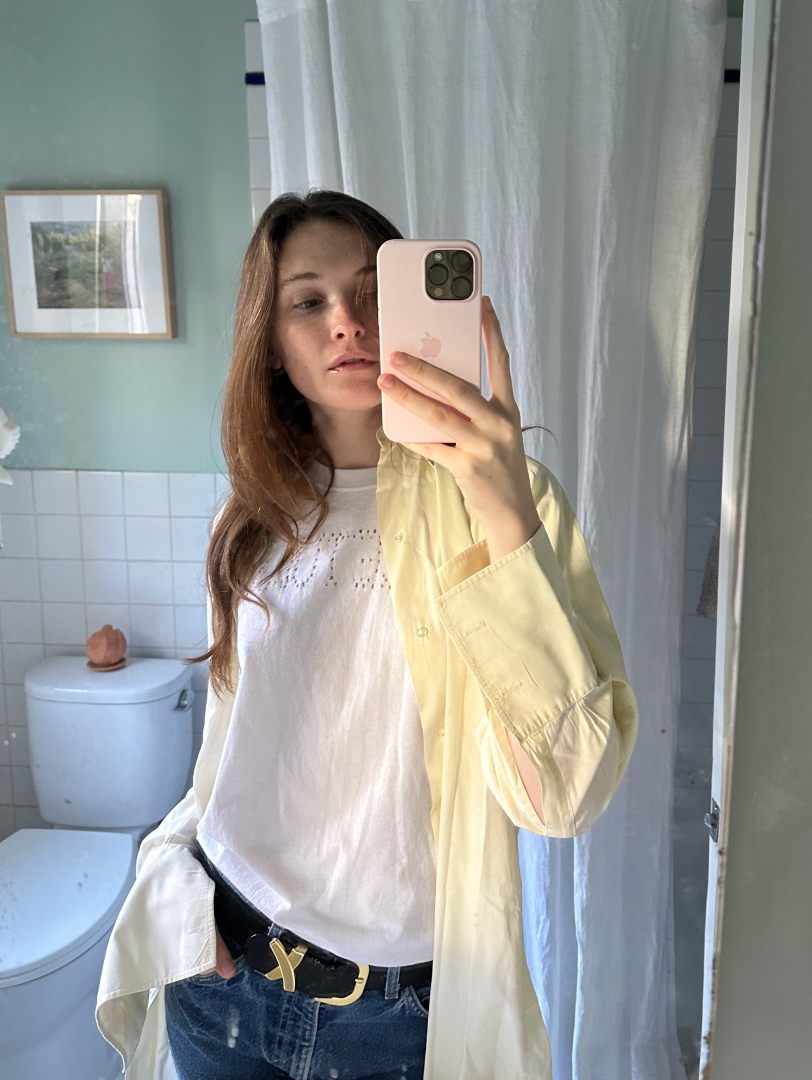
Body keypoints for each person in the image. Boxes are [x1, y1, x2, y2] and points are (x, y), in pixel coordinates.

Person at [94, 190, 639, 1080]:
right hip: (222, 974)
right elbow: (225, 757)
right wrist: (171, 876)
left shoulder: (513, 501)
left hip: (400, 1019)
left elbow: (564, 797)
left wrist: (501, 506)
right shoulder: (253, 512)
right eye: (308, 301)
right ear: (270, 339)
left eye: (374, 292)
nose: (346, 321)